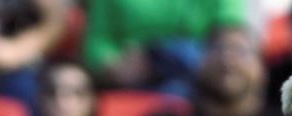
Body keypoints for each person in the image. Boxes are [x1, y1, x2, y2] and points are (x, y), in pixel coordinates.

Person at [82, 0, 247, 97]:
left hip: (198, 71)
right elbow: (97, 43)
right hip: (134, 77)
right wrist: (116, 67)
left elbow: (231, 31)